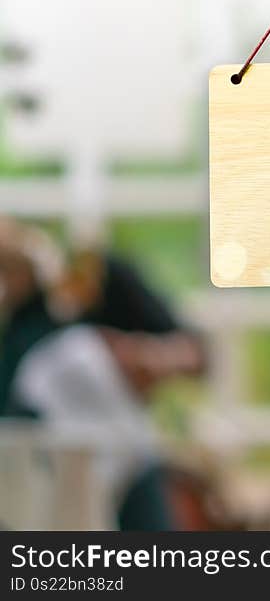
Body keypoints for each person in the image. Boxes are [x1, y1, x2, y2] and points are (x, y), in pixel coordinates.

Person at [0, 218, 206, 529]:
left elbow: (195, 354)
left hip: (123, 456)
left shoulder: (102, 280)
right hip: (38, 463)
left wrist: (145, 358)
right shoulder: (19, 326)